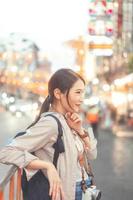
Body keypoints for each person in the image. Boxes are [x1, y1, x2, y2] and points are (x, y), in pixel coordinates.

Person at [0, 68, 97, 200]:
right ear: (58, 93)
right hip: (68, 192)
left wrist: (80, 131)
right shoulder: (50, 123)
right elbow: (6, 152)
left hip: (83, 188)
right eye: (78, 92)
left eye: (83, 93)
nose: (82, 99)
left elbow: (92, 154)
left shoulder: (68, 120)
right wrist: (47, 166)